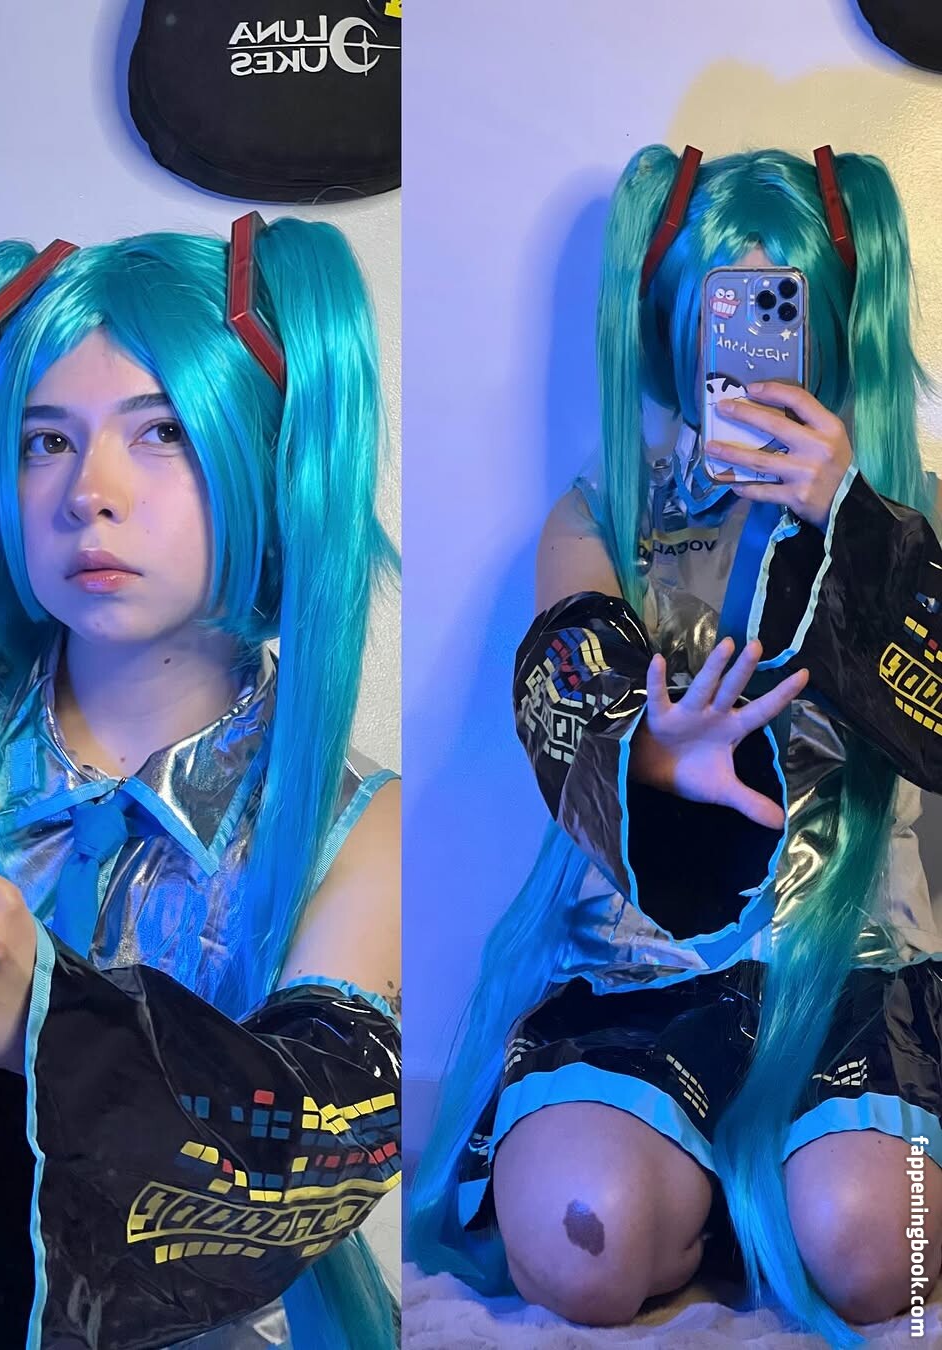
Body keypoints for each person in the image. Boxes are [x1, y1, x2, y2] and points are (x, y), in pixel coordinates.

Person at [408, 145, 942, 1346]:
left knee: (884, 1254)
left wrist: (850, 520)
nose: (749, 344)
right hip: (639, 967)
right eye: (724, 308)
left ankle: (783, 1186)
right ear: (669, 322)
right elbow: (566, 671)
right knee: (579, 1243)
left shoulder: (913, 518)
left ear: (831, 327)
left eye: (777, 307)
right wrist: (657, 756)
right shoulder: (606, 509)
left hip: (851, 962)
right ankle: (711, 1192)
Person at [0, 217, 401, 1350]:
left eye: (161, 432)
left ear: (267, 463)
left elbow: (329, 1143)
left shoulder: (358, 828)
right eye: (44, 440)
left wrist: (50, 1025)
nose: (87, 493)